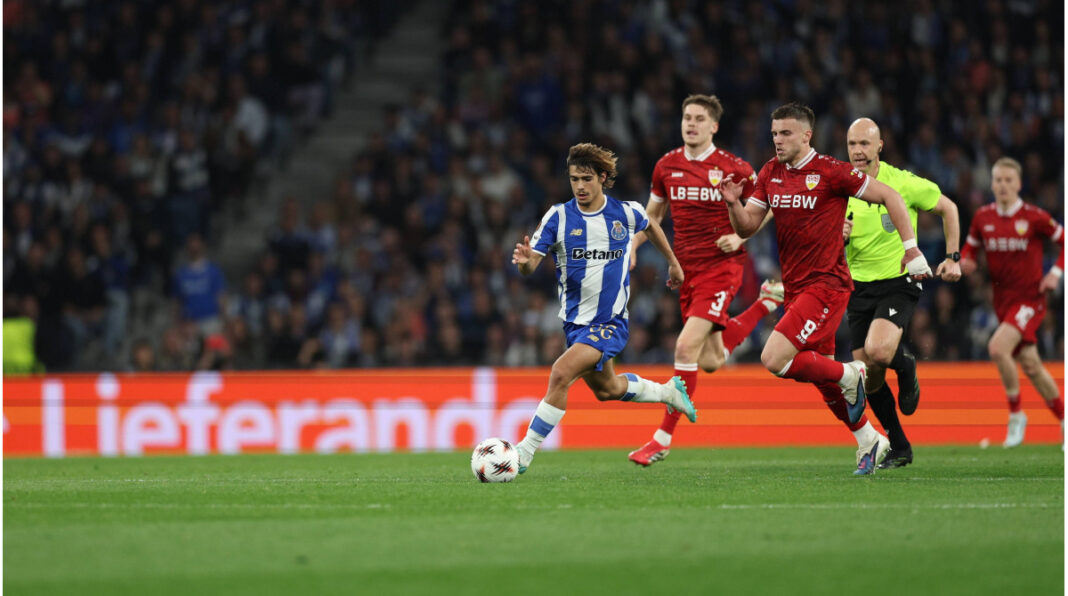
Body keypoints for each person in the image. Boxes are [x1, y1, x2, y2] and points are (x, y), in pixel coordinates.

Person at [721, 103, 933, 475]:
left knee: (773, 359)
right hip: (797, 288)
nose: (777, 140)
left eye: (785, 133)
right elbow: (746, 227)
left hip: (827, 285)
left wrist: (911, 249)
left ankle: (851, 374)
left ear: (807, 135)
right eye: (774, 134)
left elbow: (891, 197)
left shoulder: (832, 172)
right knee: (823, 382)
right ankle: (870, 440)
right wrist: (733, 204)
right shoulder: (770, 172)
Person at [511, 142, 696, 474]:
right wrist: (525, 264)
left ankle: (523, 453)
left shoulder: (625, 213)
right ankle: (669, 392)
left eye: (586, 179)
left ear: (603, 178)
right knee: (607, 390)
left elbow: (651, 224)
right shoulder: (559, 216)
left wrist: (673, 263)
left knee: (560, 373)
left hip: (610, 322)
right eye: (574, 179)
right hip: (575, 324)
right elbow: (532, 265)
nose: (580, 186)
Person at [627, 94, 784, 466]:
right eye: (686, 117)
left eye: (699, 118)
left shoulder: (733, 167)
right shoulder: (666, 166)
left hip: (722, 267)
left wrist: (743, 236)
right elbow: (652, 215)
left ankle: (661, 439)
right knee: (711, 360)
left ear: (713, 126)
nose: (691, 123)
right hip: (686, 270)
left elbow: (771, 204)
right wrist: (633, 246)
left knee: (684, 349)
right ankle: (767, 303)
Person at [840, 117, 962, 471]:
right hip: (858, 287)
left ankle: (905, 364)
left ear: (880, 145)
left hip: (898, 281)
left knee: (879, 351)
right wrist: (837, 235)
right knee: (870, 374)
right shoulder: (840, 187)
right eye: (852, 144)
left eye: (865, 144)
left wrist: (953, 258)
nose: (858, 152)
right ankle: (900, 446)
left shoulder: (901, 182)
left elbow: (948, 208)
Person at [960, 156, 1064, 448]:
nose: (1003, 185)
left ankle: (1017, 415)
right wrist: (966, 262)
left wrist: (1055, 273)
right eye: (998, 180)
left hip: (1030, 299)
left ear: (1018, 184)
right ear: (992, 184)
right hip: (1002, 302)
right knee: (1031, 364)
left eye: (1009, 180)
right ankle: (1065, 419)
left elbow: (1064, 240)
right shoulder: (983, 218)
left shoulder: (1034, 217)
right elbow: (970, 248)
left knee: (997, 347)